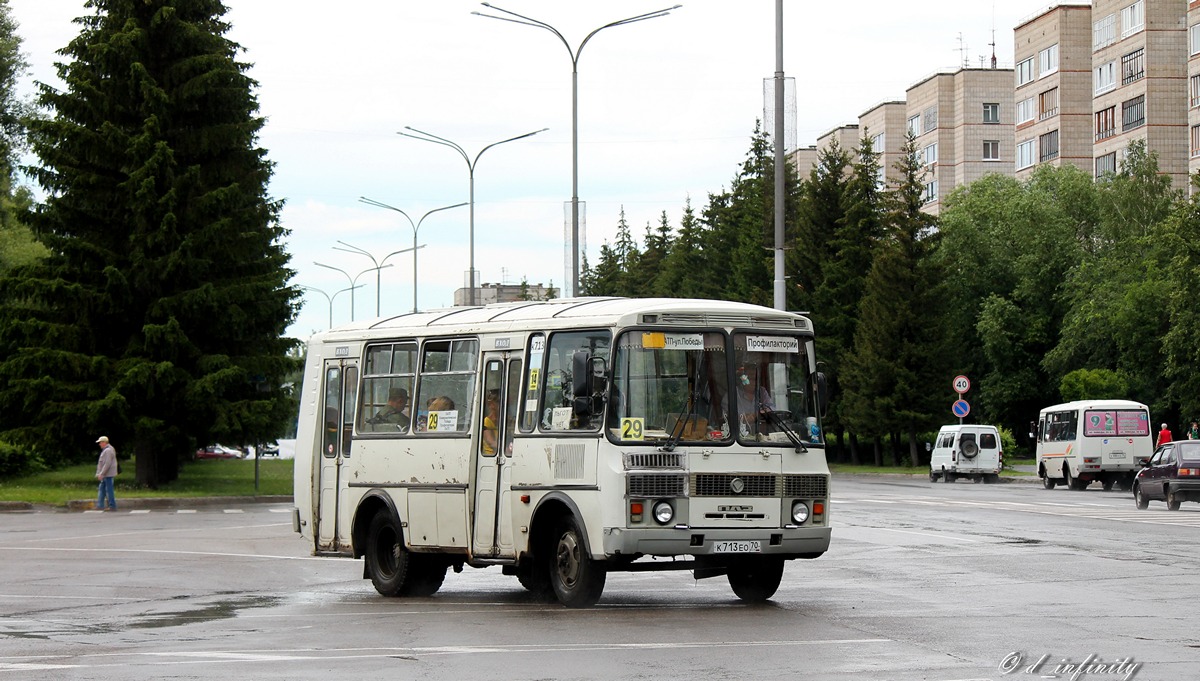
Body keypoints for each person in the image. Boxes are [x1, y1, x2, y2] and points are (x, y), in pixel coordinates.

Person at [735, 366, 774, 435]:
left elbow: (771, 409)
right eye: (750, 378)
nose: (753, 382)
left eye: (755, 379)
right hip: (738, 435)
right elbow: (729, 416)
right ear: (743, 379)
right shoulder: (734, 393)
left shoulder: (762, 391)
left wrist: (755, 415)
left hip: (760, 434)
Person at [95, 435, 118, 511]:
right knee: (102, 489)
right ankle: (100, 505)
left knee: (108, 490)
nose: (99, 444)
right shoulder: (108, 450)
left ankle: (112, 506)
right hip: (106, 474)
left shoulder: (108, 450)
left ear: (104, 442)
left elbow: (107, 463)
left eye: (100, 442)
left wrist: (101, 474)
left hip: (108, 474)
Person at [481, 389, 500, 455]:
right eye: (498, 402)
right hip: (490, 456)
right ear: (491, 405)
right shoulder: (486, 421)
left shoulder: (505, 420)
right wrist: (507, 448)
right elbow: (491, 442)